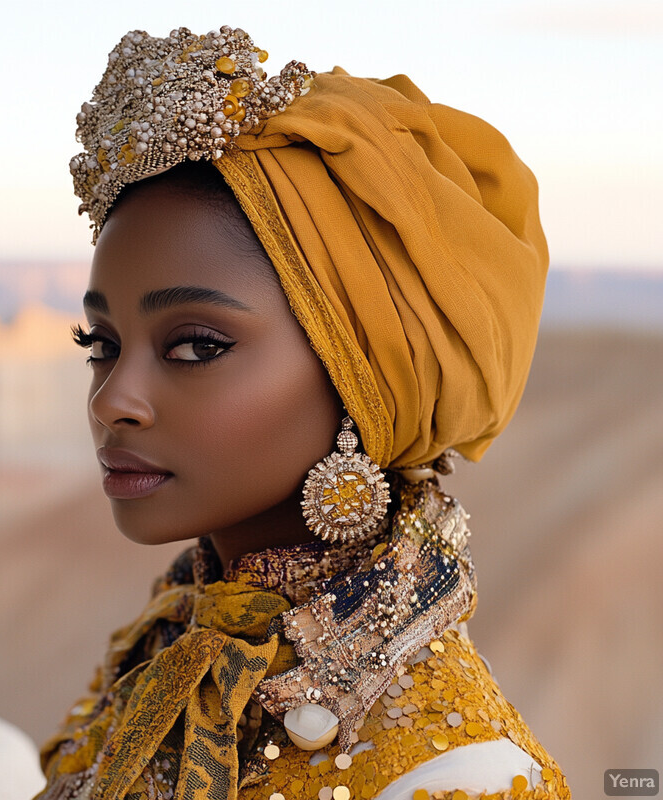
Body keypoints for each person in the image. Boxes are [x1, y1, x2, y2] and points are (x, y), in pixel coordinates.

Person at [34, 26, 570, 800]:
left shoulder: (454, 774)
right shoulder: (165, 651)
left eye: (194, 346)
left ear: (362, 378)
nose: (113, 398)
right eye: (102, 342)